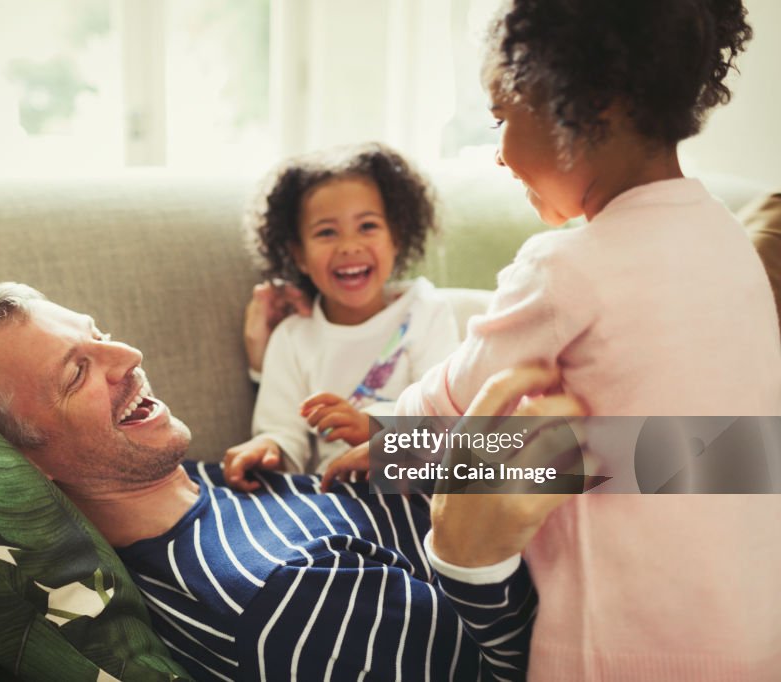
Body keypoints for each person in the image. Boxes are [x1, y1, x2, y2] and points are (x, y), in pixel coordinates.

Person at [324, 1, 781, 679]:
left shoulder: (564, 266)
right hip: (752, 632)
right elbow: (684, 445)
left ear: (590, 104)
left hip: (618, 646)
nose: (500, 154)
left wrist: (389, 434)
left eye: (502, 117)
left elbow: (455, 398)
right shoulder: (726, 242)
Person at [0, 282, 581, 682]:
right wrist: (473, 564)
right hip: (607, 574)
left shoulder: (216, 480)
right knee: (660, 440)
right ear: (23, 461)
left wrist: (400, 446)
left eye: (100, 335)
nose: (129, 357)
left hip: (582, 493)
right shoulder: (285, 598)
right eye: (77, 373)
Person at [225, 143, 462, 489]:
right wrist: (267, 448)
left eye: (367, 226)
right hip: (335, 501)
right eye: (326, 232)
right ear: (299, 255)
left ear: (396, 237)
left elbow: (448, 420)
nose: (349, 246)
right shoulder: (293, 336)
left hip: (416, 495)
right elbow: (281, 430)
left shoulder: (426, 312)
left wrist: (372, 427)